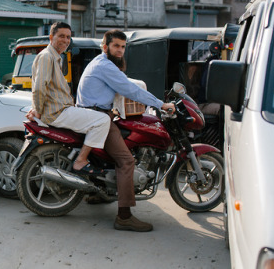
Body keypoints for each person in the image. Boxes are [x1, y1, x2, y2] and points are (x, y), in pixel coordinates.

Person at [76, 29, 175, 232]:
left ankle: (99, 193)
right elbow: (130, 89)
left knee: (114, 153)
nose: (120, 50)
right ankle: (124, 216)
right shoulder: (105, 65)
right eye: (116, 46)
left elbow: (123, 84)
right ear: (105, 47)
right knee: (127, 160)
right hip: (97, 117)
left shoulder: (102, 62)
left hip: (95, 114)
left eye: (123, 46)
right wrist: (160, 104)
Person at [27, 21, 110, 174]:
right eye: (61, 36)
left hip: (61, 110)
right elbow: (39, 88)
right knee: (103, 120)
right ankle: (81, 160)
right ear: (51, 37)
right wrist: (38, 111)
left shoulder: (56, 57)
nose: (65, 40)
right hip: (58, 113)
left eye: (68, 37)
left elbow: (46, 88)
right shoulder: (47, 57)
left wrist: (35, 108)